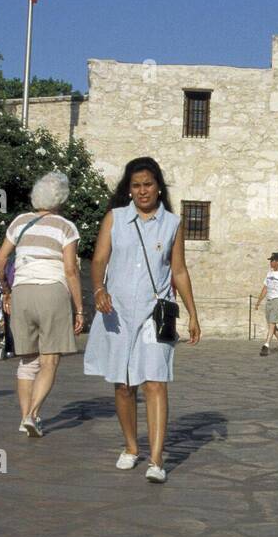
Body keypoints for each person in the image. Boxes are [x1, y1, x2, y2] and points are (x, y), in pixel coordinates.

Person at [84, 157, 201, 481]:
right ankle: (132, 447)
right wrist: (98, 290)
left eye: (148, 184)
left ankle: (156, 460)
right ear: (129, 189)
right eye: (136, 185)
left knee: (155, 381)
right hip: (117, 311)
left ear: (158, 186)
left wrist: (193, 313)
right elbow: (99, 259)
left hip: (156, 312)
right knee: (123, 385)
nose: (142, 190)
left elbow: (178, 270)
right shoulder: (115, 219)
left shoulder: (172, 224)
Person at [0, 171, 85, 437]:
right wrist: (79, 308)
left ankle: (25, 417)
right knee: (50, 360)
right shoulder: (66, 227)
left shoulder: (19, 222)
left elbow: (0, 262)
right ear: (62, 198)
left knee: (27, 361)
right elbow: (70, 270)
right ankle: (33, 414)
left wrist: (6, 292)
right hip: (52, 293)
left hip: (21, 292)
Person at [255, 251, 278, 356]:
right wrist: (258, 301)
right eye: (270, 260)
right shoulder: (269, 274)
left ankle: (266, 346)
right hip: (269, 301)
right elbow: (265, 288)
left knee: (272, 324)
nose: (270, 262)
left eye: (272, 260)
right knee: (271, 325)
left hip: (277, 300)